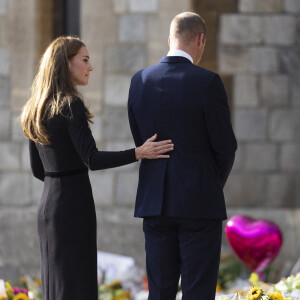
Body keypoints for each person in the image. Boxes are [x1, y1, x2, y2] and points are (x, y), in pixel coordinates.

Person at [20, 36, 174, 300]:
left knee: (55, 284)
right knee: (78, 283)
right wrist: (138, 153)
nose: (90, 67)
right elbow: (91, 158)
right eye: (85, 60)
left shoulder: (35, 107)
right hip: (73, 204)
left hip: (49, 207)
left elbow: (37, 169)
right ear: (66, 64)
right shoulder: (71, 105)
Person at [128, 12, 237, 300]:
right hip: (199, 203)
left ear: (170, 39)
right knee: (197, 292)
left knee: (160, 291)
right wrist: (211, 183)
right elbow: (226, 146)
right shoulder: (208, 82)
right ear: (201, 39)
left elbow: (142, 140)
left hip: (155, 202)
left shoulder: (140, 80)